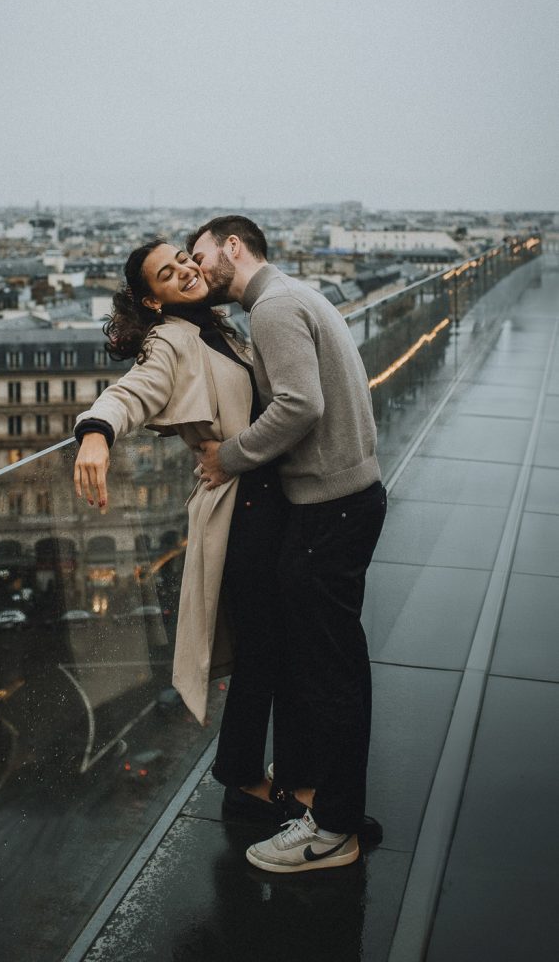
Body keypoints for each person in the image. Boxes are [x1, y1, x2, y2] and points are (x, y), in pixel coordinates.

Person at [73, 240, 304, 824]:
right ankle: (244, 778)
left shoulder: (217, 326)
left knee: (269, 645)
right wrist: (96, 431)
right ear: (153, 300)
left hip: (263, 496)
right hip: (243, 504)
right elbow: (136, 389)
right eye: (167, 274)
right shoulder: (170, 339)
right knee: (264, 647)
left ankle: (249, 770)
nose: (184, 270)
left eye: (182, 257)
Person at [189, 216, 387, 873]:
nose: (197, 271)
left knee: (328, 675)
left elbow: (299, 406)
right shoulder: (296, 295)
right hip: (350, 497)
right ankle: (336, 803)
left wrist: (230, 457)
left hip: (326, 509)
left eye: (201, 255)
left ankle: (330, 829)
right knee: (336, 667)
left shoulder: (270, 309)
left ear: (233, 248)